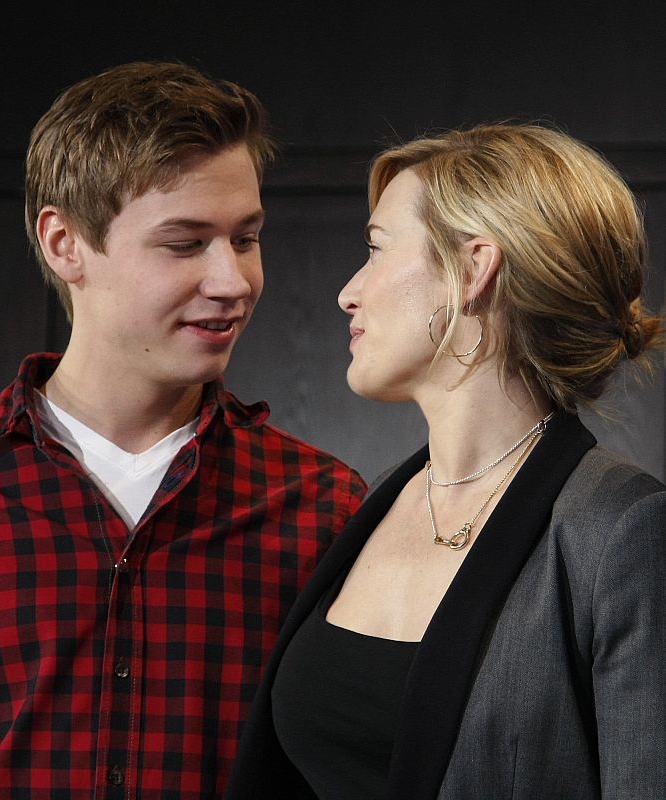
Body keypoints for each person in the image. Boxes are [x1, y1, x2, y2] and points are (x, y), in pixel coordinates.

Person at [226, 124, 666, 799]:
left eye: (376, 249)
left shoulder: (620, 530)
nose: (349, 292)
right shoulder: (372, 502)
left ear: (472, 269)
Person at [0, 62, 365, 798]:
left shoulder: (324, 507)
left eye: (246, 238)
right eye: (185, 243)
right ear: (65, 243)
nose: (233, 282)